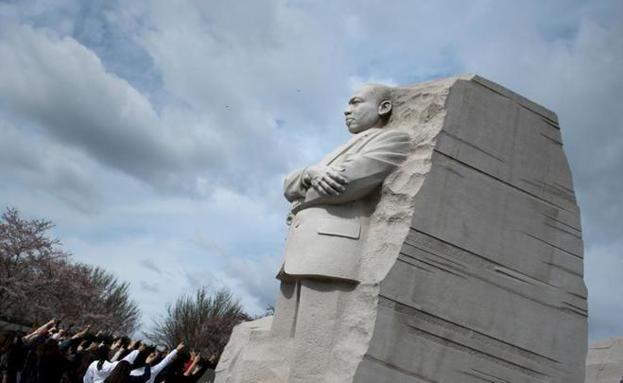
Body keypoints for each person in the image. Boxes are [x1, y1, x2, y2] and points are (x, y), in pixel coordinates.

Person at [270, 84, 411, 380]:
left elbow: (344, 185)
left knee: (313, 355)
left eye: (356, 102)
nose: (346, 110)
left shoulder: (393, 139)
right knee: (280, 348)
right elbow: (288, 183)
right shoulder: (339, 149)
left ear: (384, 108)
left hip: (330, 252)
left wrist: (299, 198)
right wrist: (310, 174)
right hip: (301, 249)